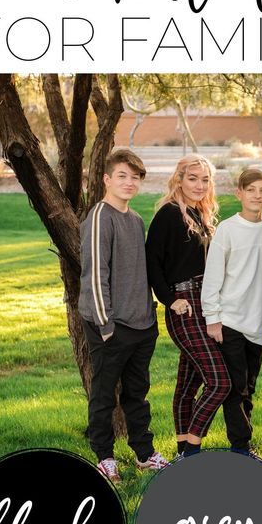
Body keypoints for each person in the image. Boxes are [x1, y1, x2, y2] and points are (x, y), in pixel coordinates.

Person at [78, 148, 169, 482]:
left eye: (135, 177)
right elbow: (94, 274)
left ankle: (144, 453)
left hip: (142, 323)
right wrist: (104, 324)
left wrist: (151, 313)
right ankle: (104, 457)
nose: (129, 183)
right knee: (104, 395)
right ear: (106, 179)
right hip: (111, 326)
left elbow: (138, 272)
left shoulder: (135, 219)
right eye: (122, 176)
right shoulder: (101, 216)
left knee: (136, 394)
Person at [145, 155, 231, 458]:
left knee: (187, 384)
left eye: (205, 179)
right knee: (220, 382)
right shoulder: (169, 214)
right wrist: (170, 300)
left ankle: (183, 449)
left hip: (205, 301)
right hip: (185, 305)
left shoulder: (199, 214)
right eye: (192, 178)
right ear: (179, 179)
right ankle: (193, 450)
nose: (199, 185)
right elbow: (152, 261)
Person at [201, 169, 262, 457]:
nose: (258, 196)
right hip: (229, 319)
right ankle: (241, 447)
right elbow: (213, 277)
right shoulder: (228, 230)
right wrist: (213, 318)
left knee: (249, 387)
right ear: (239, 194)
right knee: (235, 387)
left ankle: (243, 444)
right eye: (252, 190)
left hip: (257, 322)